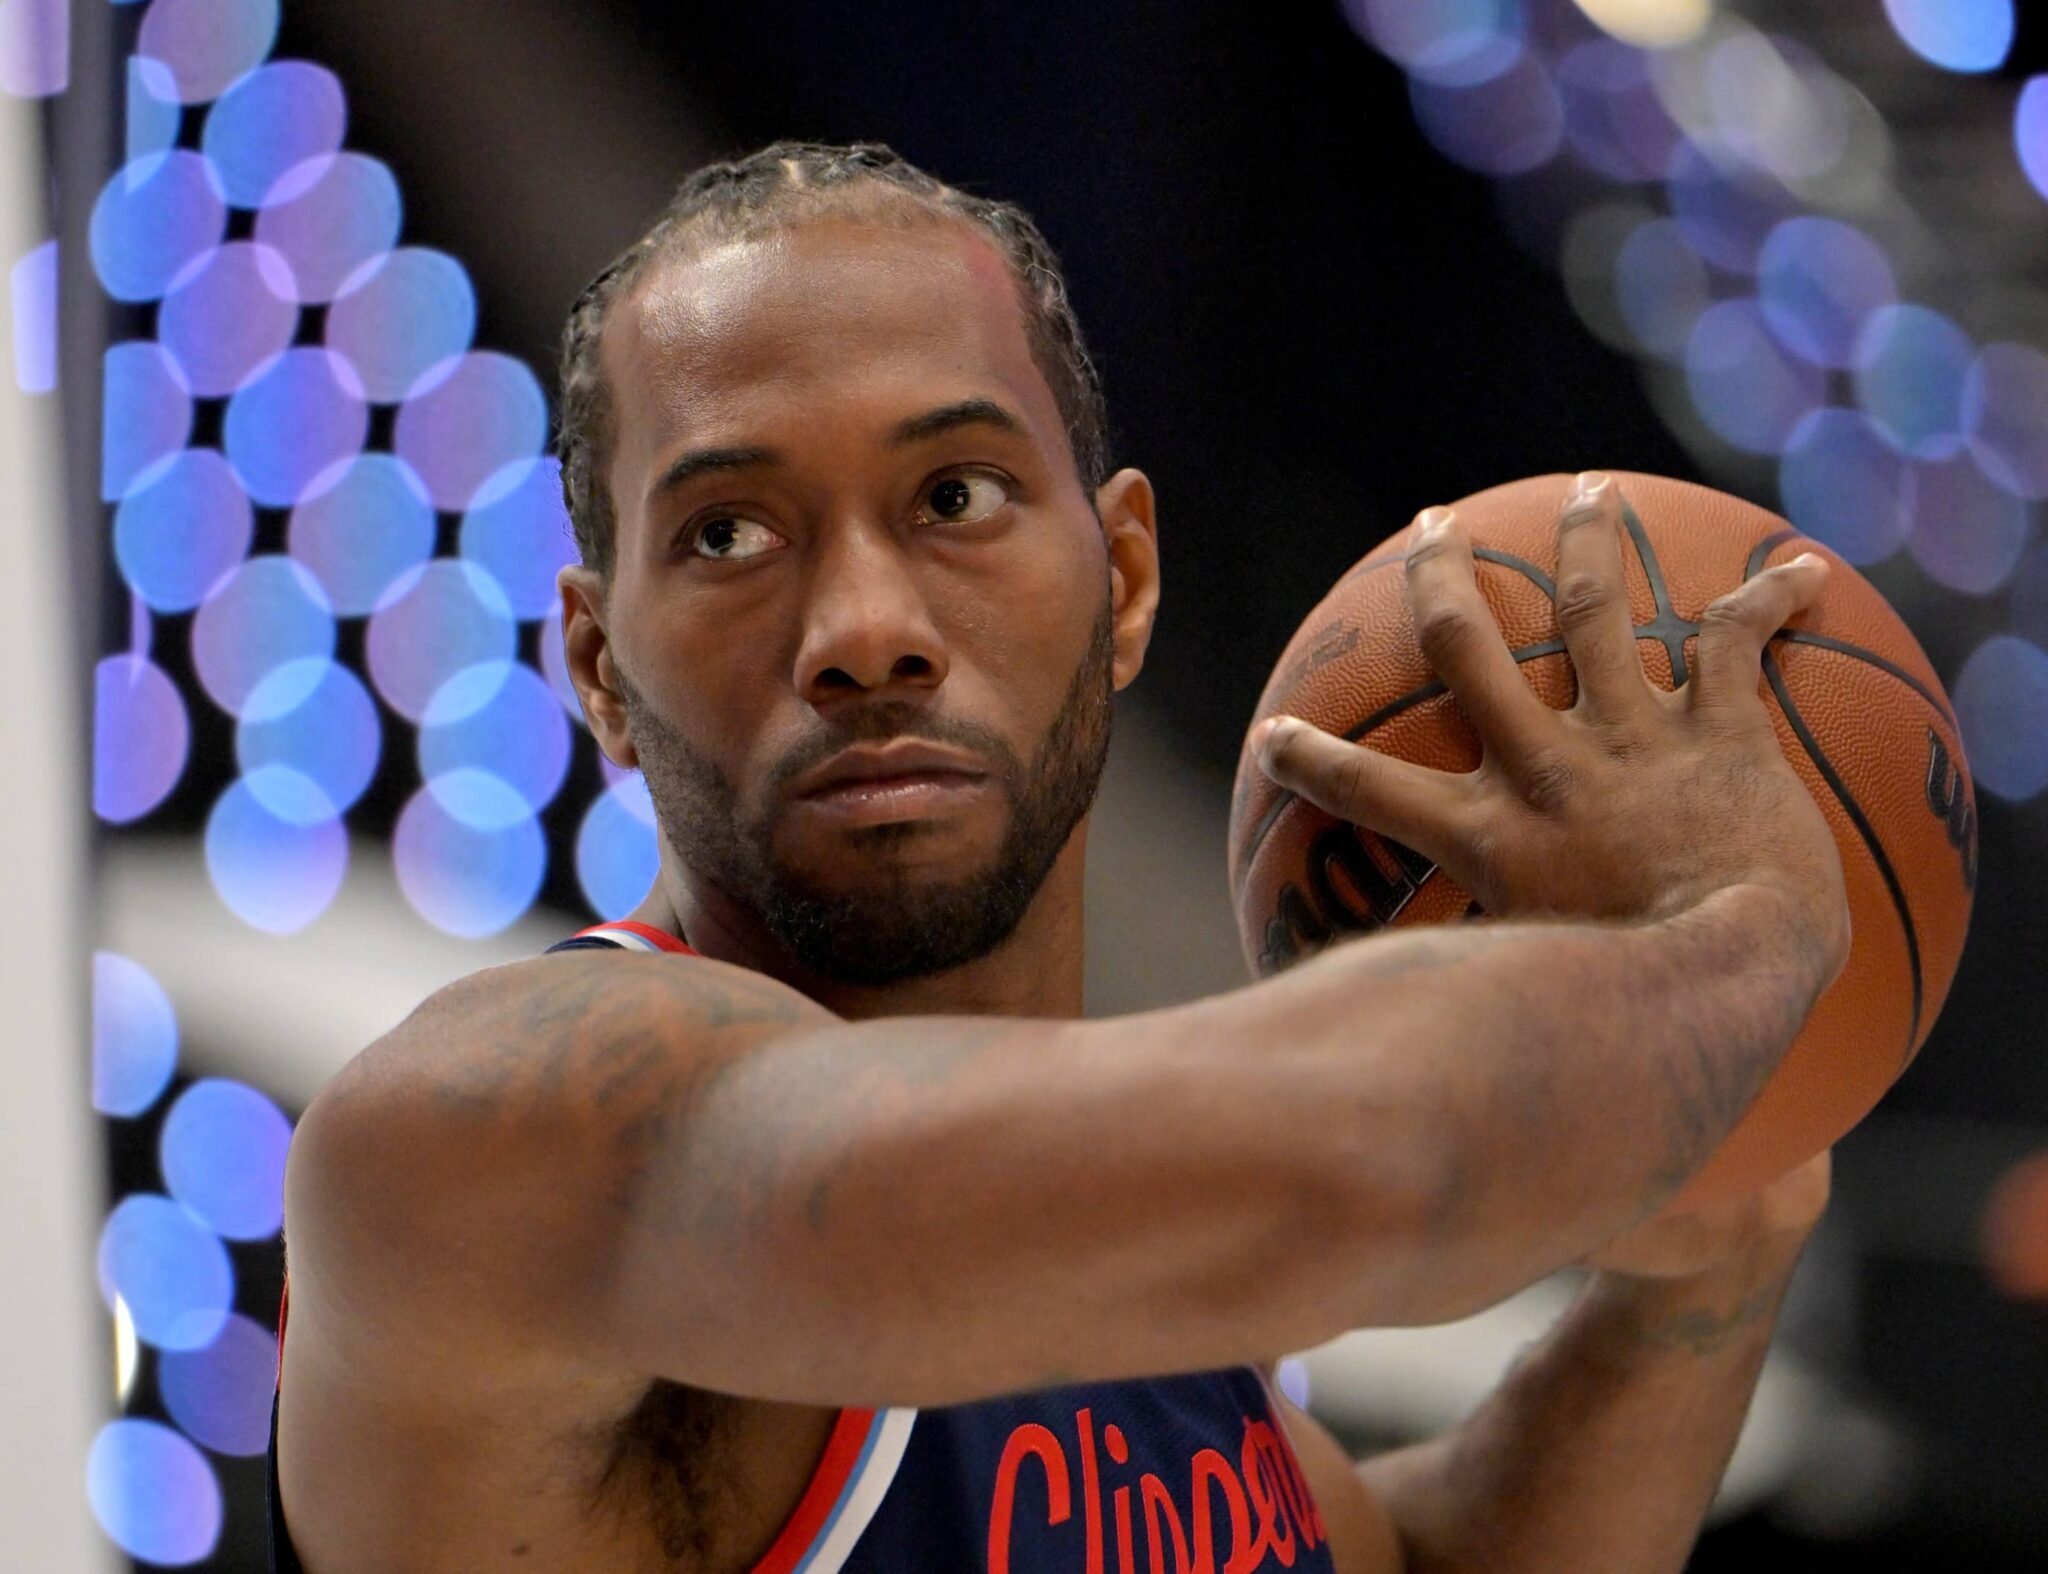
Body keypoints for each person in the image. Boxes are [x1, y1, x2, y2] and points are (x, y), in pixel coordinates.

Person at [268, 140, 1849, 1573]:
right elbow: (1366, 1160)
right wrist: (1745, 921)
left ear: (1129, 583)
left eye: (954, 495)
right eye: (729, 533)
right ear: (602, 667)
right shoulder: (492, 1132)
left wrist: (1695, 1284)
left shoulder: (1144, 1305)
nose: (866, 632)